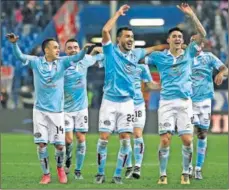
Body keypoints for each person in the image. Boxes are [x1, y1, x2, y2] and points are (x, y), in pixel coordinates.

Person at [94, 4, 168, 184]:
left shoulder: (136, 54)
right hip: (109, 102)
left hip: (128, 103)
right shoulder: (110, 52)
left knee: (126, 140)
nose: (130, 39)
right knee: (103, 138)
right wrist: (118, 13)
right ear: (118, 39)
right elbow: (105, 30)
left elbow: (152, 49)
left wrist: (169, 46)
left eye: (132, 37)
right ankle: (100, 173)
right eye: (127, 36)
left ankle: (118, 174)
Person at [6, 33, 91, 184]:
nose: (59, 50)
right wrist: (14, 44)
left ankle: (60, 170)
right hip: (40, 111)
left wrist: (84, 50)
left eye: (59, 48)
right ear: (46, 50)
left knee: (59, 145)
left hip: (57, 112)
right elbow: (20, 56)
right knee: (41, 144)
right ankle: (46, 174)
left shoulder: (63, 62)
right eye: (55, 47)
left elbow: (76, 58)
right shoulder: (36, 62)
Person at [144, 3, 206, 185]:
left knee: (187, 140)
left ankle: (185, 173)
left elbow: (203, 35)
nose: (178, 38)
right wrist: (148, 81)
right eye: (175, 36)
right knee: (165, 140)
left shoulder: (189, 53)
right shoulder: (159, 56)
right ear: (169, 40)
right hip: (167, 102)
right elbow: (139, 61)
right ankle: (162, 174)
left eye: (180, 36)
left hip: (185, 102)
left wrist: (192, 15)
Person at [63, 39, 104, 179]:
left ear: (79, 49)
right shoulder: (61, 63)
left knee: (81, 138)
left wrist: (100, 50)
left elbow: (101, 55)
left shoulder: (85, 60)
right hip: (65, 109)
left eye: (75, 47)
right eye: (70, 48)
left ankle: (78, 171)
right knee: (68, 140)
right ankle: (67, 160)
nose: (73, 49)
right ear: (65, 50)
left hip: (81, 108)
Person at [189, 37, 228, 180]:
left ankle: (198, 168)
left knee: (202, 134)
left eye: (198, 42)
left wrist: (221, 73)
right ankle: (187, 168)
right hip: (188, 101)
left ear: (202, 45)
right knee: (188, 135)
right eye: (193, 42)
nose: (196, 44)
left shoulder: (209, 57)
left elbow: (225, 69)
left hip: (205, 100)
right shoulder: (185, 58)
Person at [125, 63, 160, 179]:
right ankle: (129, 166)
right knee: (125, 136)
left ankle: (137, 167)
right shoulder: (118, 63)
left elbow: (150, 84)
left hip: (138, 105)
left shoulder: (142, 67)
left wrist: (166, 85)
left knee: (137, 133)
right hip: (123, 104)